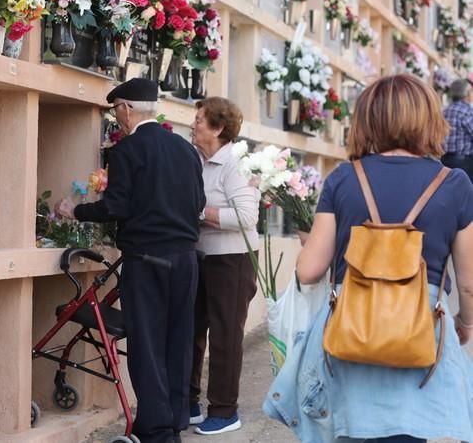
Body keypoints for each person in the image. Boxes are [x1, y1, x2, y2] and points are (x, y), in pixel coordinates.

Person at [263, 74, 473, 442]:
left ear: (367, 119)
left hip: (352, 326)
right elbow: (470, 283)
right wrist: (465, 323)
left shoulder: (344, 179)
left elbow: (309, 270)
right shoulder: (454, 183)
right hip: (420, 329)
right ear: (427, 118)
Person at [56, 78, 206, 443]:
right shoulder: (186, 150)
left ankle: (155, 430)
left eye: (116, 110)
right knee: (178, 342)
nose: (116, 118)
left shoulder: (126, 151)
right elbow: (198, 204)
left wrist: (75, 210)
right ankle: (174, 421)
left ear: (126, 108)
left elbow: (116, 206)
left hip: (147, 259)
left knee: (147, 345)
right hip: (186, 259)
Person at [187, 97, 260, 436]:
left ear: (217, 128)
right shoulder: (198, 160)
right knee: (191, 331)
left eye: (199, 119)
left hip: (232, 260)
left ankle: (224, 411)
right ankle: (189, 403)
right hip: (202, 256)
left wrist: (200, 214)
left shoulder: (235, 163)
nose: (193, 123)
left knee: (225, 336)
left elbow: (246, 216)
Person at [442, 77, 473, 181]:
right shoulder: (467, 111)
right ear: (467, 94)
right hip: (464, 163)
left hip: (444, 159)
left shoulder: (445, 110)